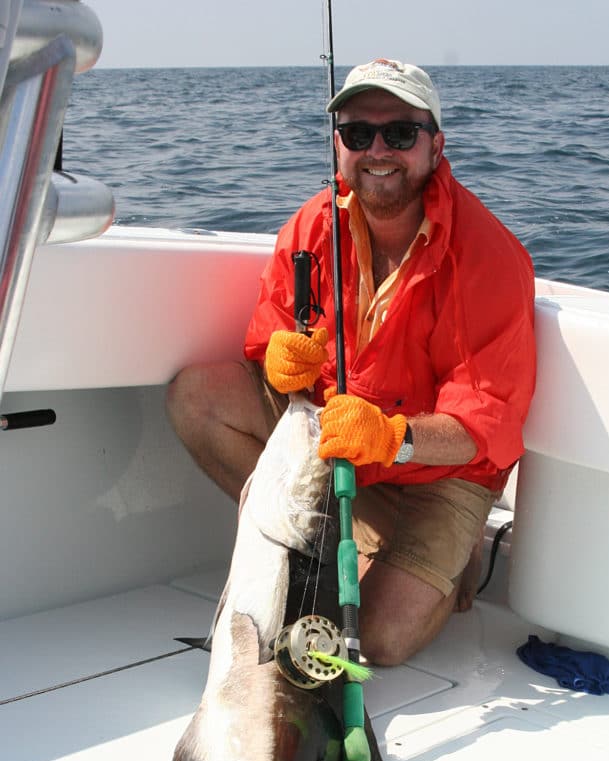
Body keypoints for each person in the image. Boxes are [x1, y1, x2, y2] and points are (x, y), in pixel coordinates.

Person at [166, 58, 536, 666]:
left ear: (436, 145)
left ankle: (453, 546)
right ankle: (321, 540)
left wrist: (393, 437)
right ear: (338, 145)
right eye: (358, 134)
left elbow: (483, 424)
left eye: (400, 133)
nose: (378, 150)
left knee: (380, 641)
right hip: (337, 444)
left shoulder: (488, 257)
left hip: (437, 469)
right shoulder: (312, 225)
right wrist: (276, 359)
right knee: (195, 399)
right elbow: (273, 330)